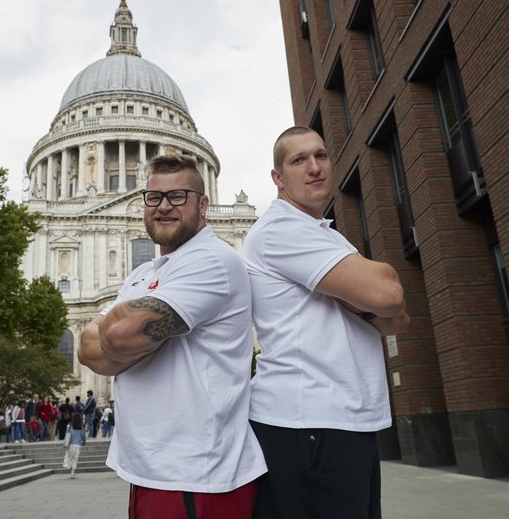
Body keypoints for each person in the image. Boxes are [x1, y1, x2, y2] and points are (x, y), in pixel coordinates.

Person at [78, 154, 266, 518]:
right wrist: (132, 338)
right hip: (150, 470)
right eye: (154, 197)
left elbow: (115, 337)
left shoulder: (214, 260)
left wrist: (120, 336)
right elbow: (89, 352)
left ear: (203, 203)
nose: (164, 206)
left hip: (199, 475)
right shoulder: (145, 271)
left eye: (178, 196)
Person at [243, 126, 410, 519]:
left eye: (320, 155)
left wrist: (363, 292)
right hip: (309, 423)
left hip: (340, 420)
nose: (315, 167)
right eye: (299, 160)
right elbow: (389, 296)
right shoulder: (281, 230)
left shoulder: (327, 236)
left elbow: (397, 320)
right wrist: (370, 291)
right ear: (278, 178)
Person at [63, 411, 86, 479]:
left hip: (70, 445)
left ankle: (71, 471)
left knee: (70, 459)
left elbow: (67, 435)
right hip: (78, 445)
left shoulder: (70, 427)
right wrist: (84, 442)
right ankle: (73, 472)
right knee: (75, 459)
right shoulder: (81, 428)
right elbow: (83, 437)